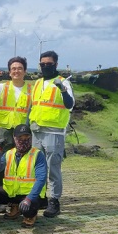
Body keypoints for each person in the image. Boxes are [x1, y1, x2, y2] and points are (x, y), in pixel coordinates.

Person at [29, 51, 74, 218]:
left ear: (56, 64)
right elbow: (33, 106)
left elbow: (70, 105)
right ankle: (40, 197)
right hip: (37, 131)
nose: (45, 66)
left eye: (49, 64)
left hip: (54, 132)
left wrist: (62, 90)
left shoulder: (64, 82)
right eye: (42, 64)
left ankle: (54, 200)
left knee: (53, 167)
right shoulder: (37, 83)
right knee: (38, 167)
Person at [0, 124, 47, 228]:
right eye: (20, 138)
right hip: (12, 192)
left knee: (28, 209)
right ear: (14, 139)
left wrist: (29, 199)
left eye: (27, 138)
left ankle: (30, 216)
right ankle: (15, 206)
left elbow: (41, 179)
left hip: (30, 195)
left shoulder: (38, 155)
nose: (23, 141)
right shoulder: (8, 153)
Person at [0, 56, 32, 154]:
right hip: (4, 130)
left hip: (23, 130)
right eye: (13, 69)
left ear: (25, 71)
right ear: (10, 72)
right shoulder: (2, 87)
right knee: (2, 158)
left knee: (22, 156)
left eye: (20, 68)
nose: (16, 71)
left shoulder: (31, 90)